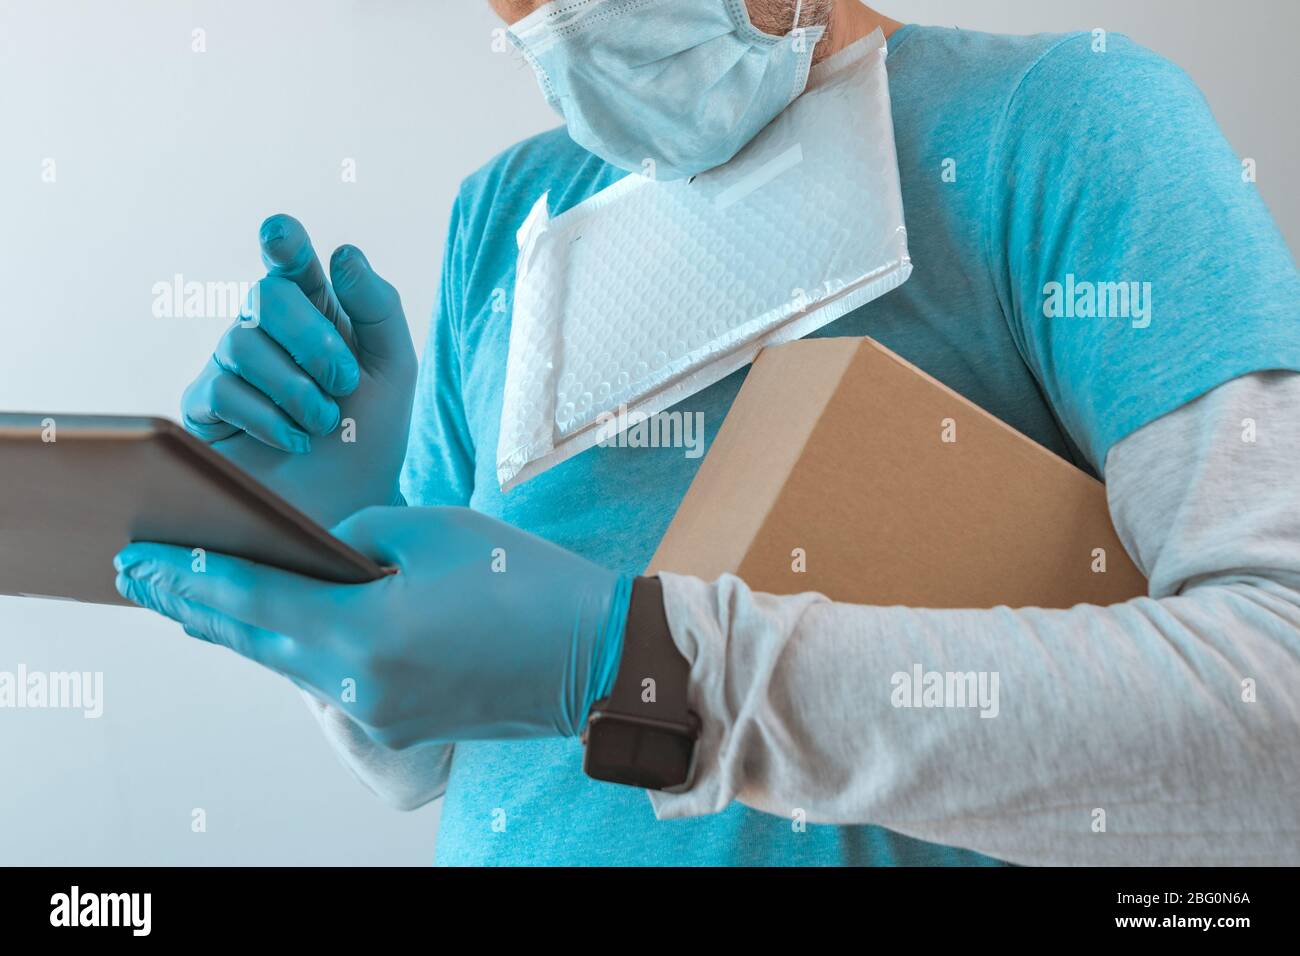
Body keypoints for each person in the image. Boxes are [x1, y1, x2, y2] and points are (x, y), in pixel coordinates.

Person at [116, 0, 1300, 866]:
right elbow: (425, 760)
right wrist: (326, 549)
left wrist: (648, 666)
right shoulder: (505, 217)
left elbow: (1274, 715)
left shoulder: (1065, 125)